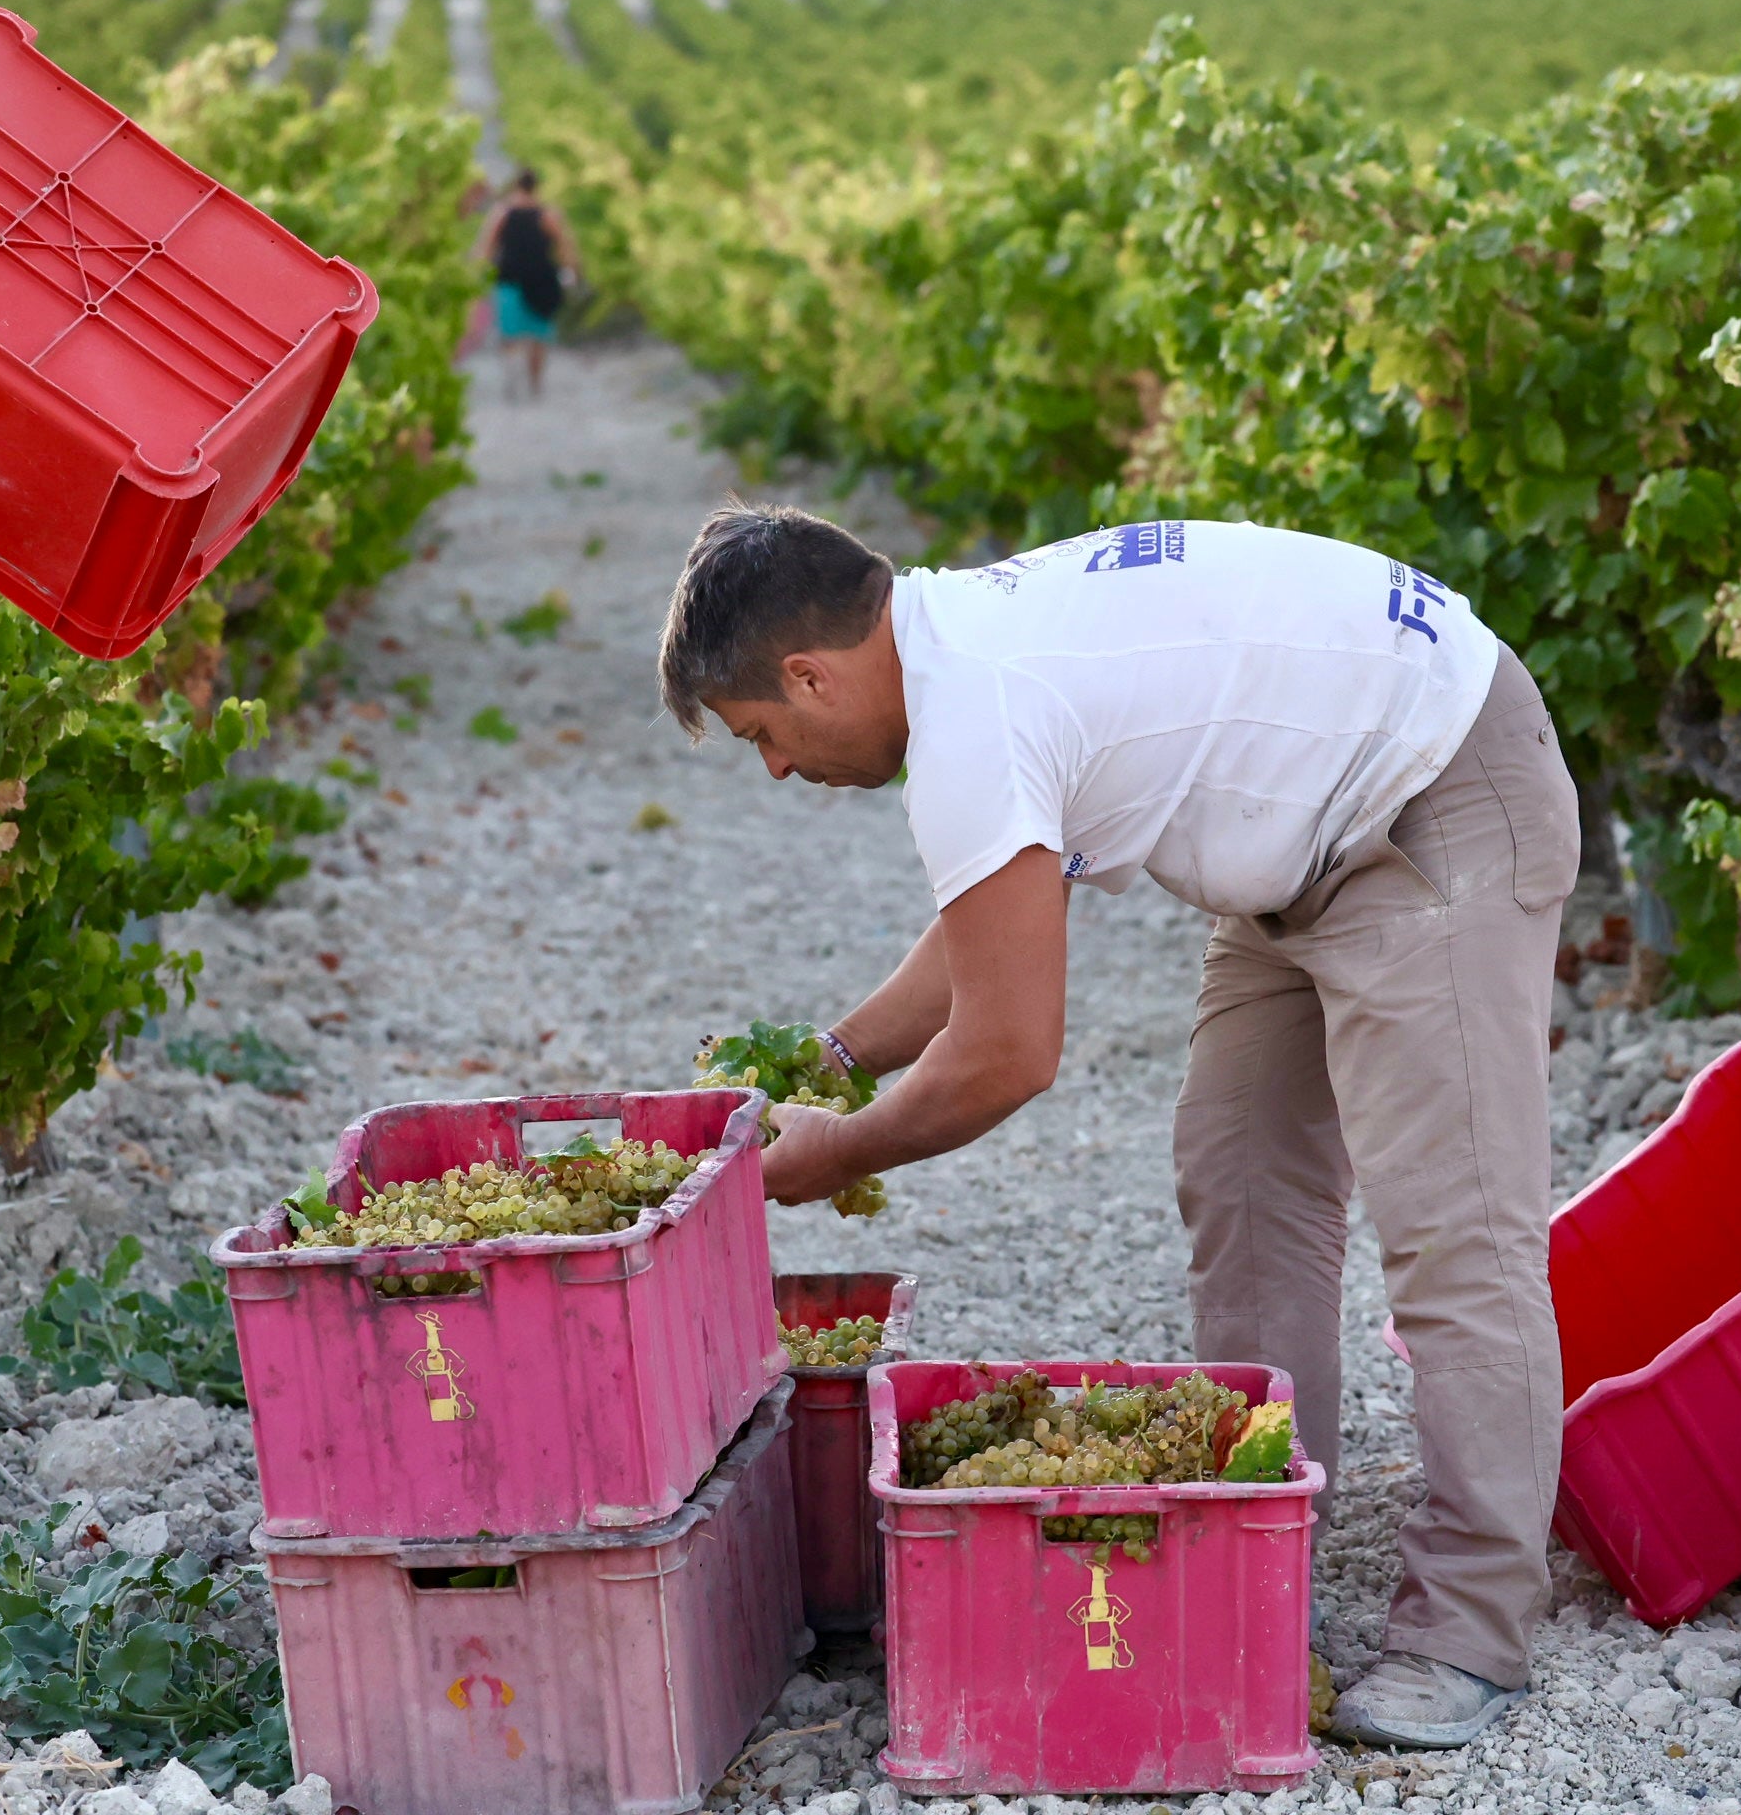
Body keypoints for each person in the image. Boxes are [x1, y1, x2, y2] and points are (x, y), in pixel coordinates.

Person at [657, 505, 1579, 1750]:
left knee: (1455, 1234)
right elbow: (983, 933)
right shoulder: (960, 651)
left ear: (811, 673)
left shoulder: (977, 705)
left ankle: (1471, 1631)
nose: (777, 768)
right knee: (1241, 1177)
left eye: (766, 733)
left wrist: (834, 1153)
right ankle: (1263, 1538)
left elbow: (1006, 1053)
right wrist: (832, 1061)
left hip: (1434, 791)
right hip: (1301, 842)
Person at [474, 166, 576, 399]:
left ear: (515, 186)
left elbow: (486, 247)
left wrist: (478, 272)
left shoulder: (502, 213)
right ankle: (534, 383)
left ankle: (513, 378)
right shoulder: (547, 214)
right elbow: (565, 245)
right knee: (538, 336)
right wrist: (569, 271)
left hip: (510, 279)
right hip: (542, 280)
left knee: (510, 334)